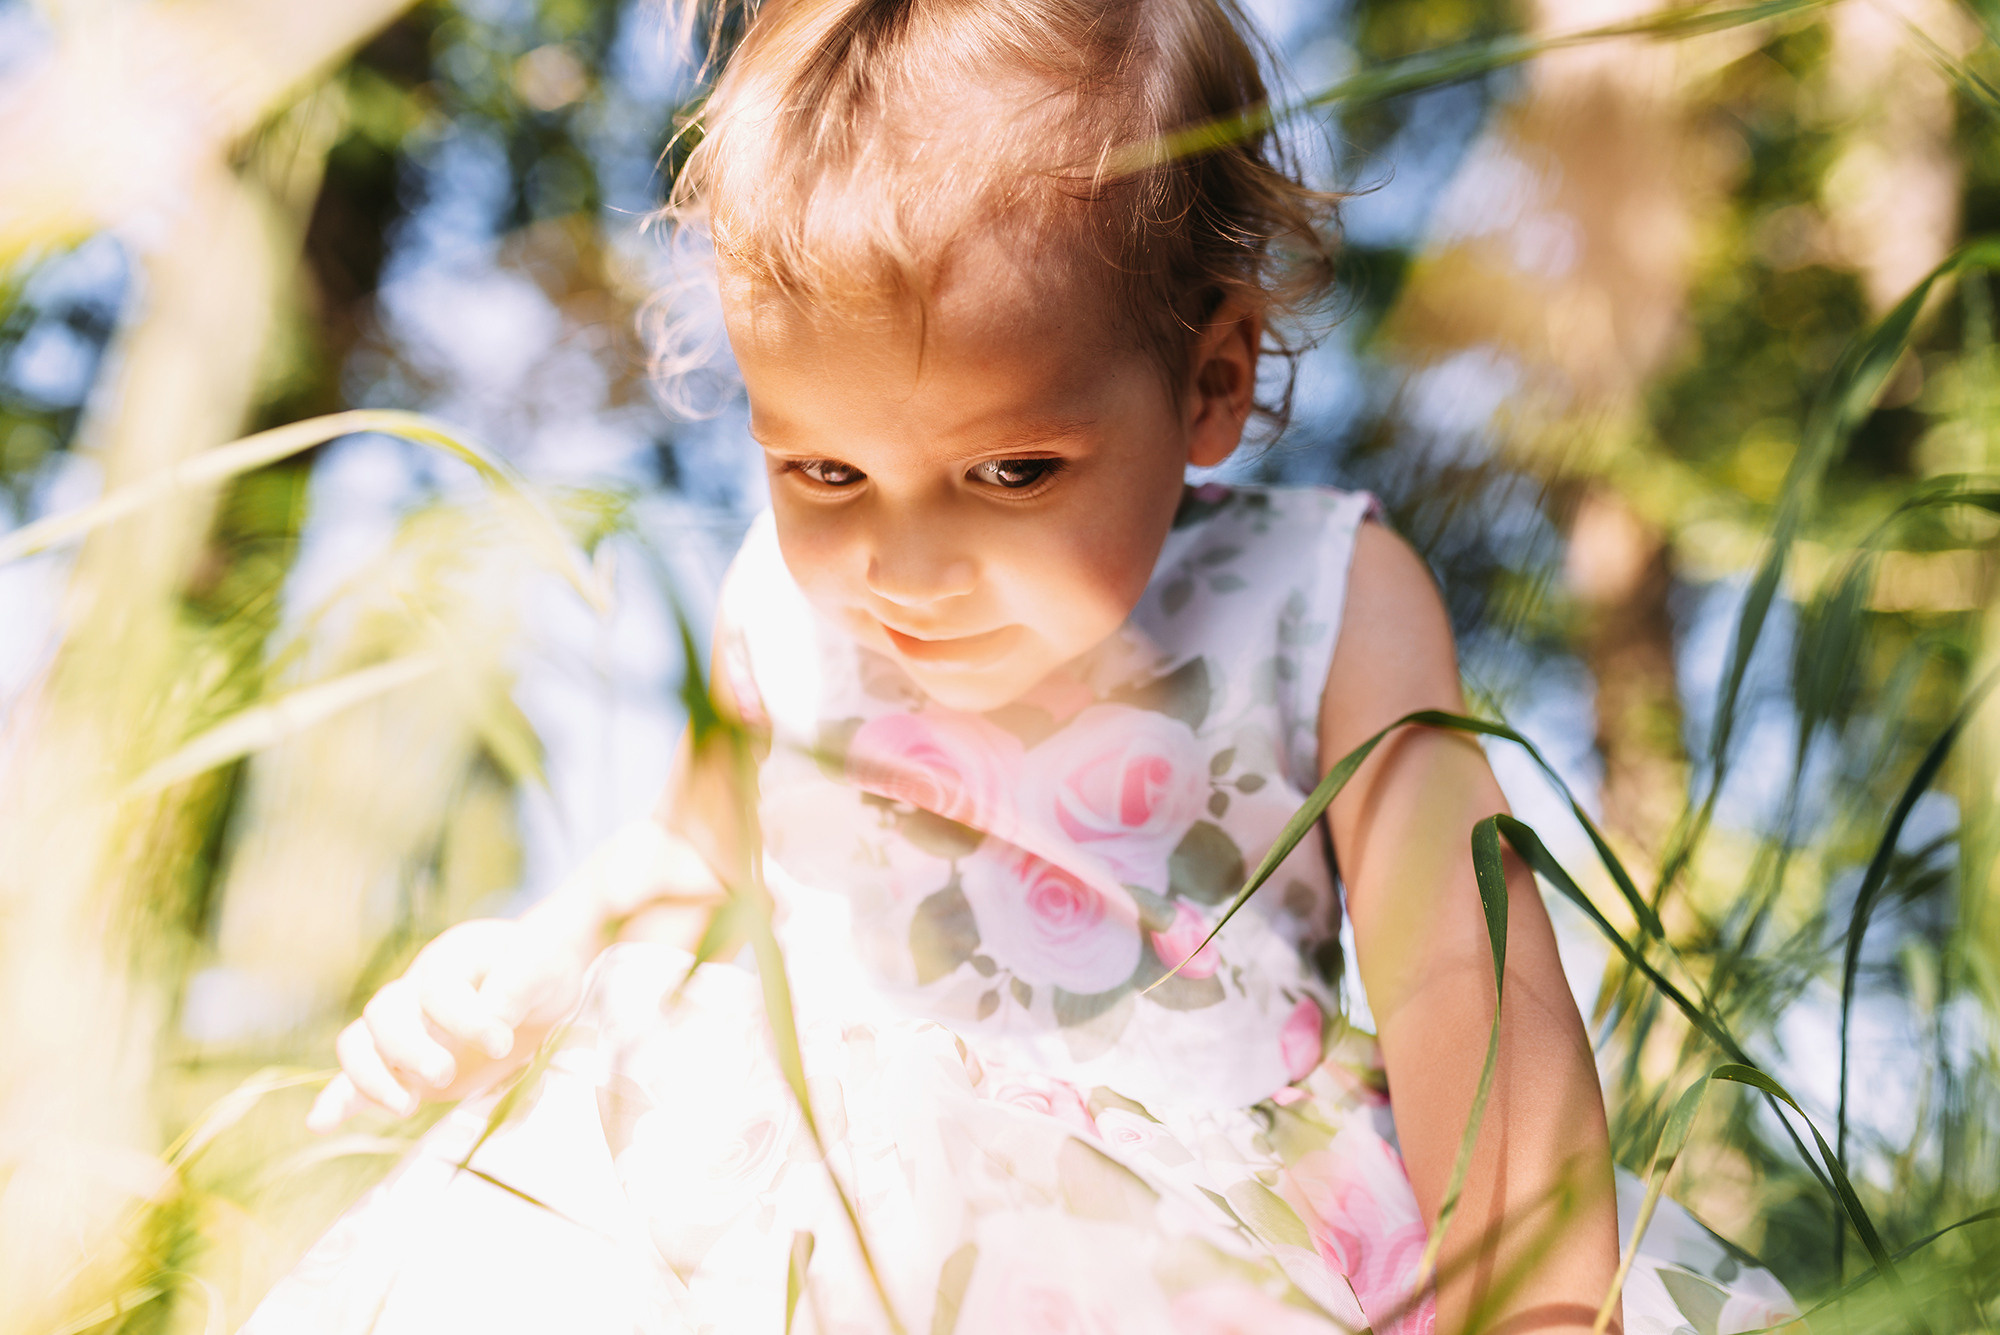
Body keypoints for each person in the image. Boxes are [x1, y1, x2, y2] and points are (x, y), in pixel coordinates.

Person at [245, 0, 1800, 1331]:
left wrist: (1531, 1300)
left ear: (1209, 385)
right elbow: (685, 863)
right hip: (829, 1204)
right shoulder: (777, 617)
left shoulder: (1319, 595)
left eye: (1011, 474)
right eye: (825, 476)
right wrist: (532, 966)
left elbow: (1463, 968)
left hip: (1187, 1221)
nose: (904, 571)